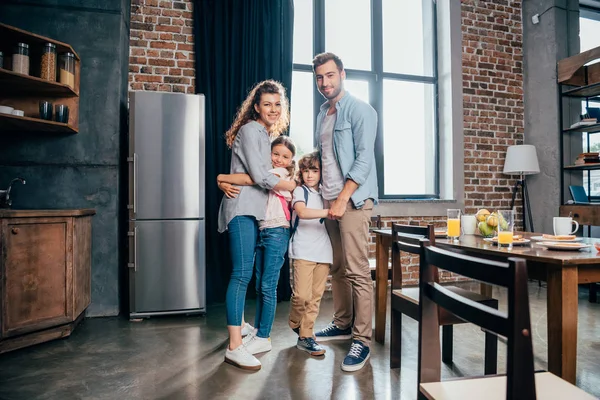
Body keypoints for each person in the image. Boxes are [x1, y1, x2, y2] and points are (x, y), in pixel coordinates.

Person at [217, 80, 295, 371]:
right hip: (241, 209)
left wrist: (224, 178)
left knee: (245, 275)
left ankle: (241, 331)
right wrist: (291, 185)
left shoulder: (264, 133)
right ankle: (234, 347)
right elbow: (260, 176)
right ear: (256, 107)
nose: (273, 109)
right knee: (240, 275)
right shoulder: (252, 130)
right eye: (267, 104)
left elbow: (255, 174)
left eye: (277, 104)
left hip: (252, 211)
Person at [310, 52, 379, 372]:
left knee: (357, 271)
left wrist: (342, 200)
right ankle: (342, 323)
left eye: (329, 76)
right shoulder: (323, 112)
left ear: (342, 74)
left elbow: (364, 160)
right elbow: (323, 159)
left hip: (352, 203)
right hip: (328, 201)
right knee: (337, 268)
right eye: (319, 77)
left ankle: (362, 340)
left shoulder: (361, 110)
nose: (324, 83)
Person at [287, 151, 331, 357]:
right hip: (303, 249)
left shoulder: (324, 194)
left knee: (315, 298)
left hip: (323, 250)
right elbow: (302, 213)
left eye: (315, 170)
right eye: (306, 171)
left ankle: (305, 335)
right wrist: (329, 212)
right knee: (302, 296)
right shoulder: (299, 191)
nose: (310, 175)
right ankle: (296, 322)